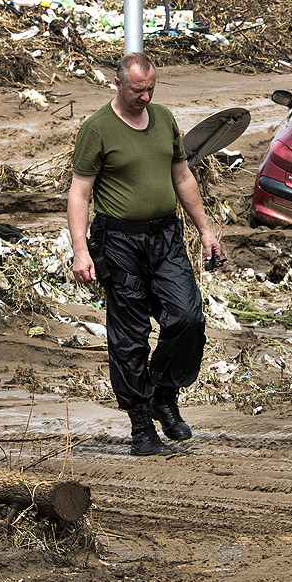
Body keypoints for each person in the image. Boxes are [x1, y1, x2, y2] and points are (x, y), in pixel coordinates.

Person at [67, 52, 221, 456]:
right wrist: (80, 251)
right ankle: (141, 425)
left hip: (166, 237)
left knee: (187, 317)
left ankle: (163, 394)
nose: (146, 96)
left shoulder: (165, 118)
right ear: (118, 84)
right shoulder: (97, 129)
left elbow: (182, 175)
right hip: (119, 244)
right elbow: (80, 192)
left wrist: (204, 229)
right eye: (138, 90)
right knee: (130, 337)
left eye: (151, 88)